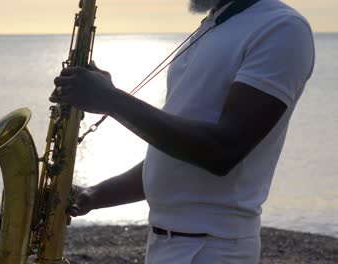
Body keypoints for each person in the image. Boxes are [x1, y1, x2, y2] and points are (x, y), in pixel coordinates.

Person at [51, 0, 315, 262]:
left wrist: (110, 99)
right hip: (164, 244)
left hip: (214, 249)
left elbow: (223, 150)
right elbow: (176, 156)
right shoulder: (215, 24)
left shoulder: (282, 27)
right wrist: (93, 195)